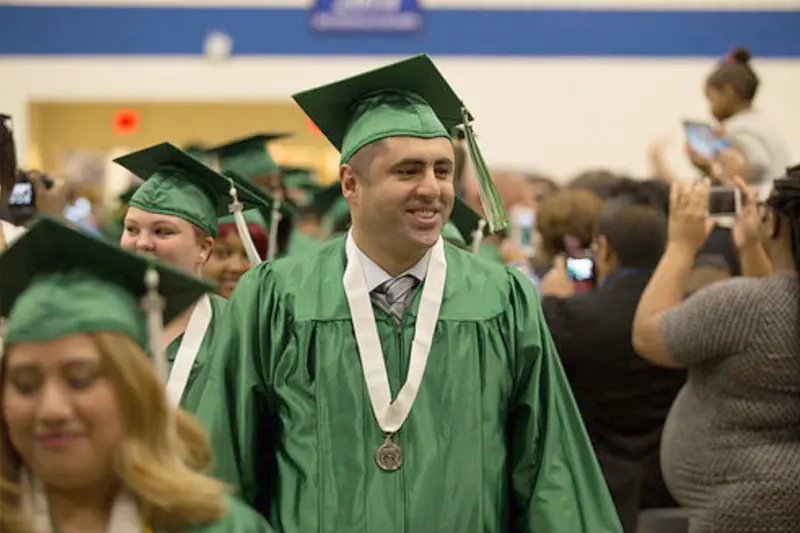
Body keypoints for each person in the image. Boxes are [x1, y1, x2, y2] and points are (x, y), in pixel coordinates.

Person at [194, 53, 622, 532]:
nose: (432, 188)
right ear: (350, 183)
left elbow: (549, 469)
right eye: (408, 171)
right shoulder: (277, 299)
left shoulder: (501, 300)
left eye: (442, 170)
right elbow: (223, 470)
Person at [0, 216, 274, 533]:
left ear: (134, 388)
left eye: (80, 380)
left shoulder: (219, 527)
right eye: (25, 385)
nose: (52, 409)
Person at [631, 174, 796, 533]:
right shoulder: (764, 305)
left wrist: (680, 245)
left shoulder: (742, 305)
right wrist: (750, 247)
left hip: (744, 507)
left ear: (775, 225)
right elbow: (775, 311)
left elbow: (648, 335)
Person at [539, 188, 686, 533]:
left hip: (592, 485)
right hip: (671, 485)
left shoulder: (569, 316)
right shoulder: (689, 311)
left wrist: (552, 304)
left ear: (604, 249)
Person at [116, 142, 270, 411]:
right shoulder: (102, 318)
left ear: (204, 248)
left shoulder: (239, 331)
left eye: (162, 231)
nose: (142, 243)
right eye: (131, 229)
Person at [690, 47, 790, 199]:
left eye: (711, 99)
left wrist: (717, 165)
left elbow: (758, 164)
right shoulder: (759, 121)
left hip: (763, 201)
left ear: (728, 93)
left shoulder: (736, 128)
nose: (710, 109)